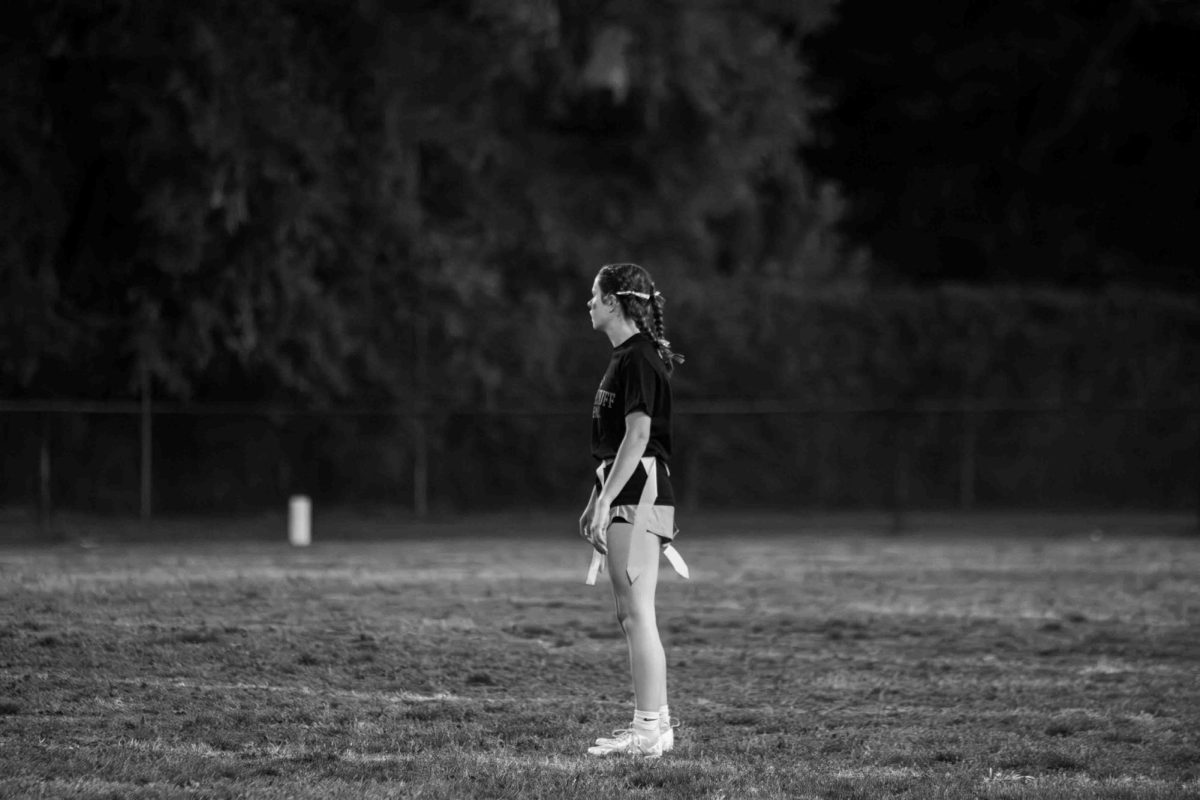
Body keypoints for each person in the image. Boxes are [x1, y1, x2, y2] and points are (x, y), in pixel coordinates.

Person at [579, 262, 687, 758]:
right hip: (629, 487)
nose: (588, 304)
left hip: (639, 493)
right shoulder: (627, 355)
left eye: (594, 295)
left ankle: (646, 733)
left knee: (636, 614)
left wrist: (607, 500)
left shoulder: (639, 356)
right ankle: (657, 726)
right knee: (633, 612)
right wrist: (596, 497)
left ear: (613, 301)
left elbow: (640, 436)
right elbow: (616, 442)